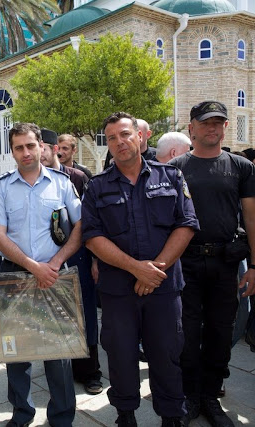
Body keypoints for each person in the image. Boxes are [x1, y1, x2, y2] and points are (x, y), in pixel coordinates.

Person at [81, 112, 198, 427]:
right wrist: (136, 269)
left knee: (167, 355)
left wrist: (154, 272)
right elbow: (92, 237)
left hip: (164, 288)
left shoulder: (171, 177)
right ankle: (125, 415)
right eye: (113, 138)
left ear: (140, 136)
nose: (119, 142)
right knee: (120, 357)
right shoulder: (97, 187)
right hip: (118, 292)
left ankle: (172, 416)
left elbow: (186, 225)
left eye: (125, 134)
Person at [0, 122, 81, 427]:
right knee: (16, 354)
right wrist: (33, 266)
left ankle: (62, 418)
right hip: (14, 275)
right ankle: (21, 414)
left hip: (56, 273)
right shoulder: (2, 187)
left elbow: (81, 226)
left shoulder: (62, 183)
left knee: (60, 354)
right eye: (18, 147)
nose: (25, 152)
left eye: (30, 145)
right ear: (12, 151)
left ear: (42, 147)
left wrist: (54, 264)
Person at [169, 101, 255, 427]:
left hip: (225, 262)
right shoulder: (175, 167)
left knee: (221, 332)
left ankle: (210, 394)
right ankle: (190, 395)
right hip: (186, 263)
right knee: (187, 333)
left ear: (226, 127)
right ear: (191, 127)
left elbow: (251, 217)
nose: (212, 128)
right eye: (206, 123)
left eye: (218, 123)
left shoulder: (241, 167)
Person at [39, 129, 102, 395]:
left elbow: (90, 221)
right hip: (48, 260)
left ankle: (91, 372)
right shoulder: (32, 178)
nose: (37, 153)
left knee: (85, 314)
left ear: (55, 150)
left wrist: (96, 260)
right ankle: (63, 371)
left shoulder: (77, 178)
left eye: (43, 147)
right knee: (56, 317)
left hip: (78, 255)